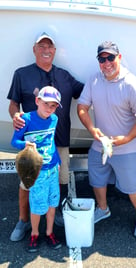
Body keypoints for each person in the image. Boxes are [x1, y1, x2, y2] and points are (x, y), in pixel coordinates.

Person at [7, 32, 84, 241]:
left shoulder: (64, 75)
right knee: (27, 183)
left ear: (55, 51)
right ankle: (24, 221)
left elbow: (86, 94)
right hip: (33, 147)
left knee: (59, 180)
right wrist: (15, 115)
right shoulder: (21, 74)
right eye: (41, 46)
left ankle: (54, 215)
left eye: (49, 46)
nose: (46, 50)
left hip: (60, 143)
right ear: (34, 50)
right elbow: (13, 103)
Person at [77, 41, 136, 238]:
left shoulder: (130, 83)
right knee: (96, 178)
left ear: (119, 57)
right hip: (100, 144)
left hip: (125, 147)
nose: (107, 62)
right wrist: (92, 129)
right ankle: (103, 209)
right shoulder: (94, 80)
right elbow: (82, 107)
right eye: (102, 59)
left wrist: (127, 138)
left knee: (132, 185)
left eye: (111, 57)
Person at [11, 86, 62, 252]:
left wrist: (58, 160)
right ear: (37, 101)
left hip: (53, 168)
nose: (49, 108)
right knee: (37, 205)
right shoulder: (26, 119)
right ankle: (34, 234)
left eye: (53, 105)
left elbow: (52, 141)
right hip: (36, 171)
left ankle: (49, 233)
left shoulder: (54, 119)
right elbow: (14, 141)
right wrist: (25, 144)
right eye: (46, 103)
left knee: (52, 203)